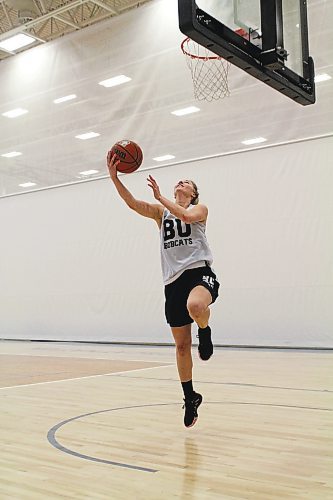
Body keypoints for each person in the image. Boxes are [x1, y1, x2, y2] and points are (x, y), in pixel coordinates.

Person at [107, 152, 220, 427]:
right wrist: (114, 177)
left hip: (198, 273)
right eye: (179, 181)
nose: (181, 183)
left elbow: (186, 215)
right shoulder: (161, 213)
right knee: (181, 347)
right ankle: (190, 396)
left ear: (193, 193)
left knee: (196, 307)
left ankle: (205, 331)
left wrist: (161, 198)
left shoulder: (199, 209)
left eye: (187, 183)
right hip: (172, 283)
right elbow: (132, 203)